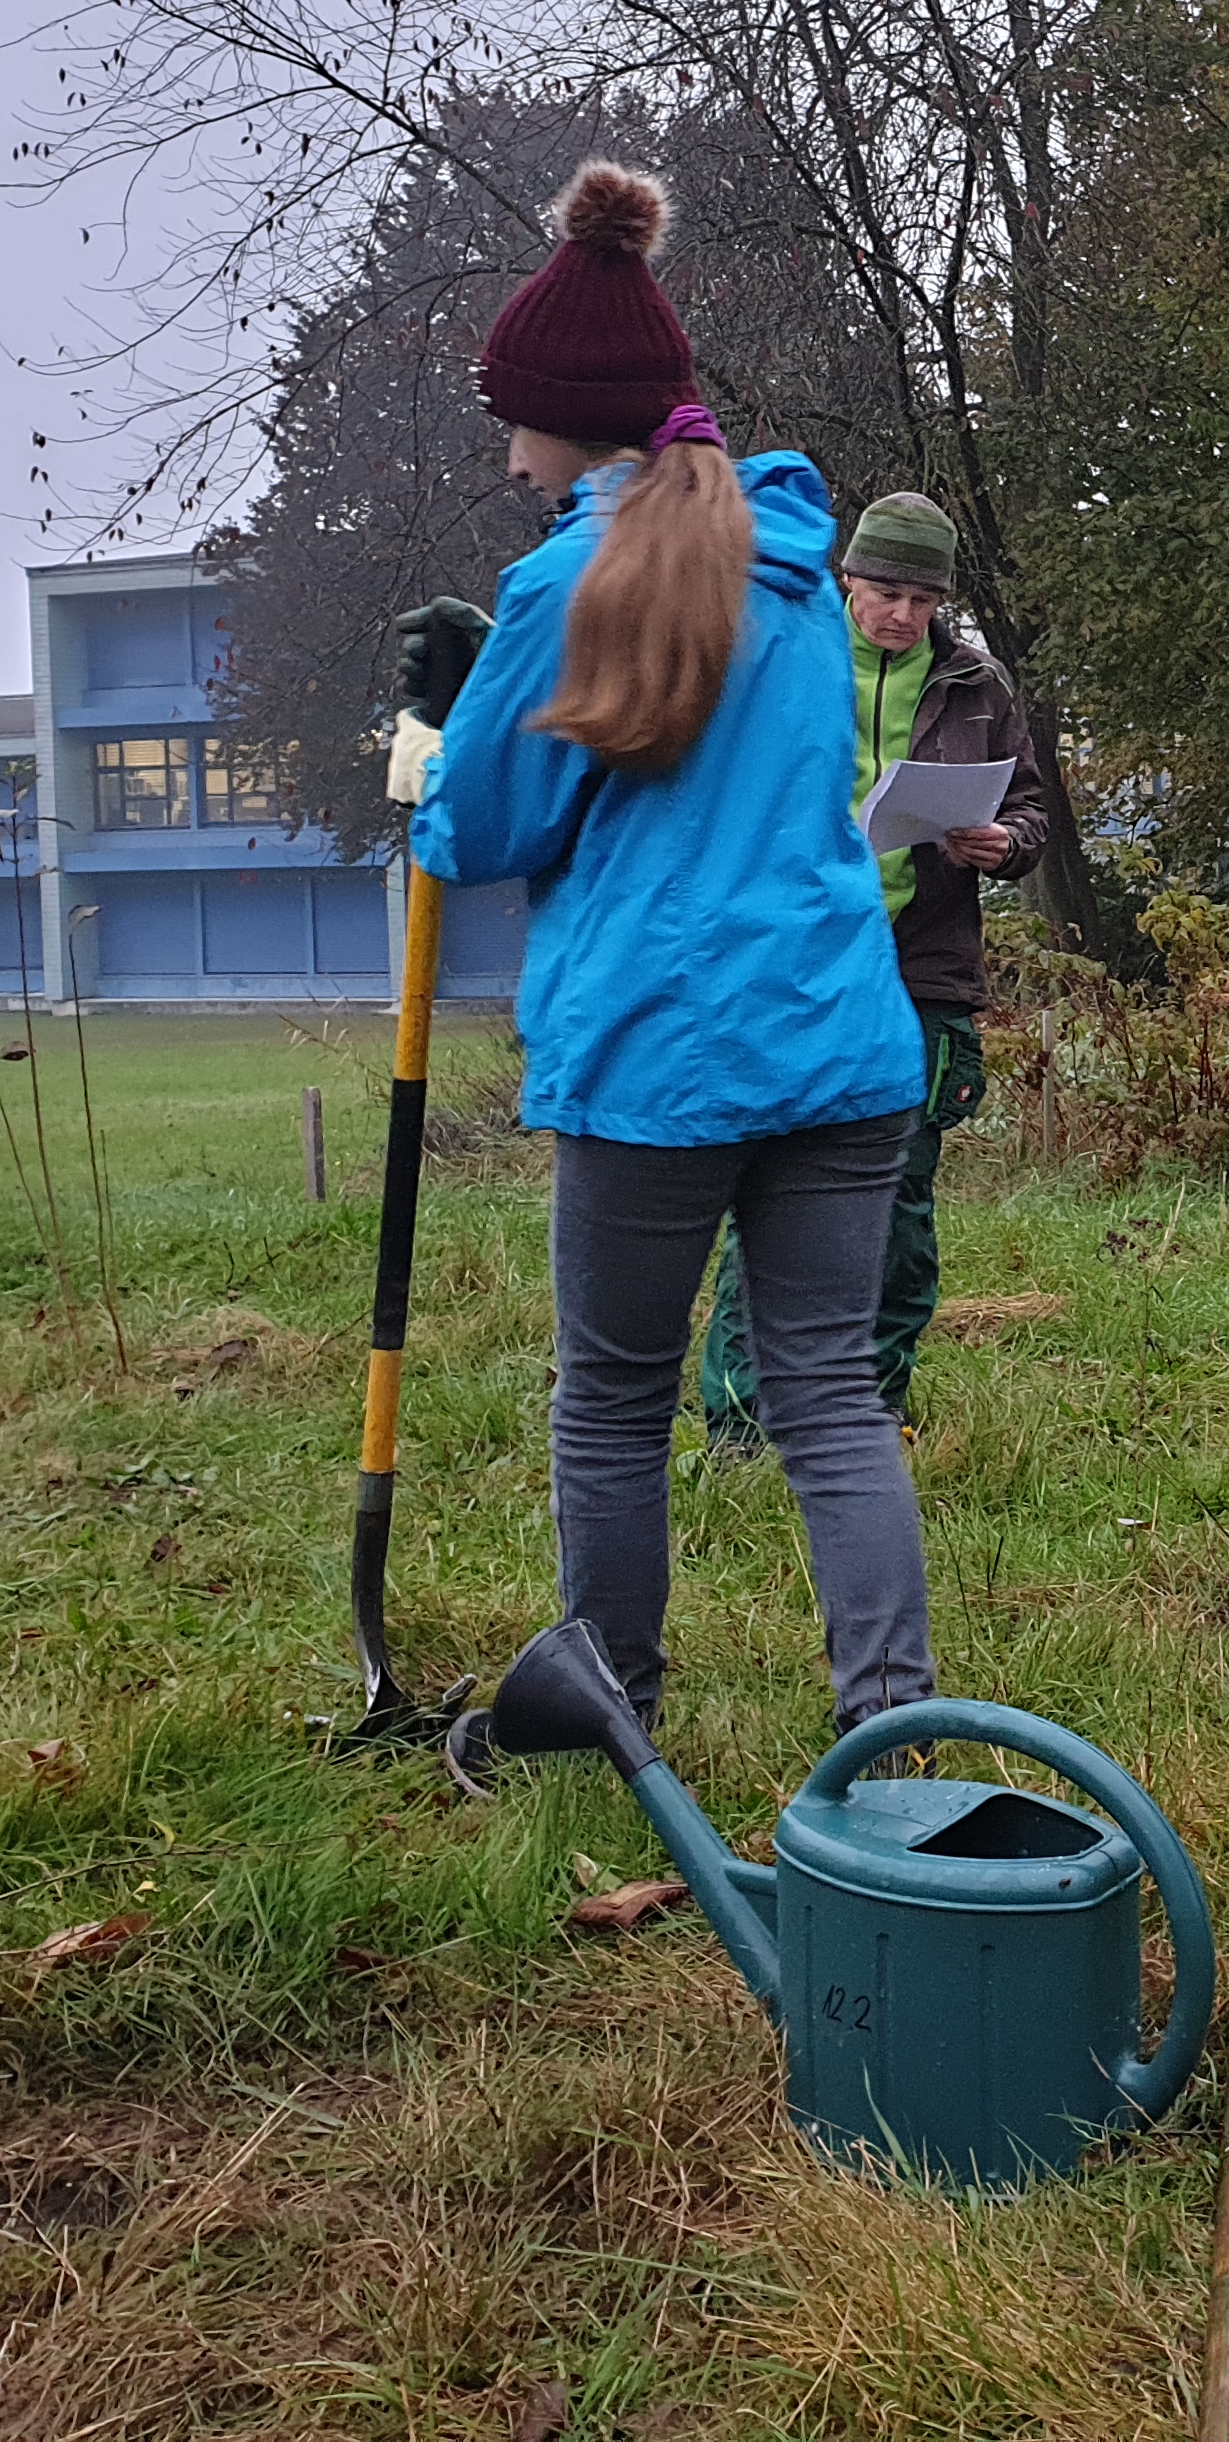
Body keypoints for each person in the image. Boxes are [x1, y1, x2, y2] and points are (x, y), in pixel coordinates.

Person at [397, 160, 935, 1746]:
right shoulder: (797, 578)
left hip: (657, 1059)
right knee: (832, 1399)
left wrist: (432, 730)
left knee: (614, 1406)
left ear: (579, 420)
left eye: (521, 418)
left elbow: (482, 830)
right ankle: (890, 1738)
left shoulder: (569, 582)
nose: (508, 451)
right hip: (841, 1040)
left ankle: (608, 1715)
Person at [698, 489, 1050, 1445]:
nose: (903, 615)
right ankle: (737, 1421)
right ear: (847, 578)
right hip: (793, 967)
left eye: (924, 600)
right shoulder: (780, 662)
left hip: (920, 973)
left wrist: (1003, 845)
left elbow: (1030, 811)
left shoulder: (978, 686)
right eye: (887, 591)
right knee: (768, 1194)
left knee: (899, 1207)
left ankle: (876, 1406)